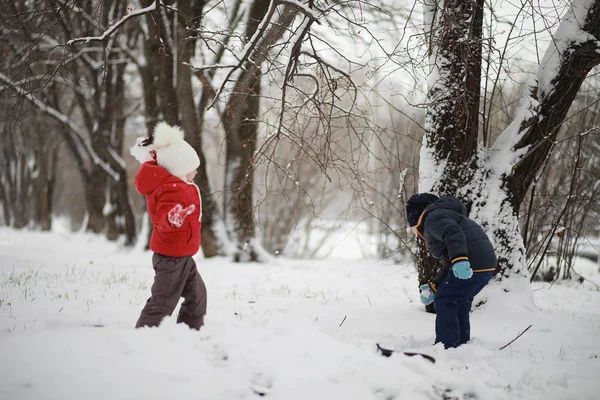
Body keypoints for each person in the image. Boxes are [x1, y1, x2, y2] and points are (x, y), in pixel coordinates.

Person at [131, 122, 207, 330]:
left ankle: (190, 331)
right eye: (193, 169)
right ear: (179, 168)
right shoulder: (170, 189)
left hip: (182, 255)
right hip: (171, 258)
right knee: (163, 302)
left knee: (197, 297)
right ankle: (144, 334)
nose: (196, 173)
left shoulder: (182, 186)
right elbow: (162, 219)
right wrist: (171, 219)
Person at [406, 193, 496, 348]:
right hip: (485, 264)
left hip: (471, 261)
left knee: (446, 299)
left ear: (415, 217)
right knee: (458, 298)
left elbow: (453, 234)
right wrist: (434, 286)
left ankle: (447, 345)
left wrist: (460, 259)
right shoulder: (444, 216)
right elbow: (450, 261)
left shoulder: (433, 218)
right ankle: (461, 343)